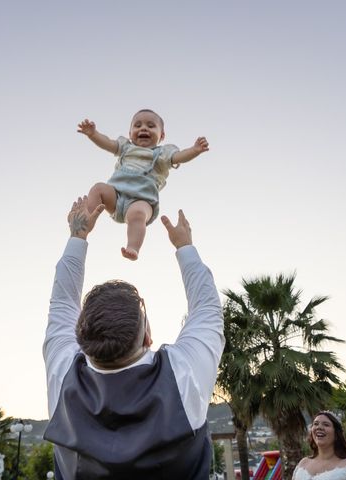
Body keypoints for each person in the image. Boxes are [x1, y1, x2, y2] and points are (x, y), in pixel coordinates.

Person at [43, 195, 225, 479]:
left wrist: (78, 235)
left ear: (81, 337)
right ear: (148, 336)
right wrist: (184, 246)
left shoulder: (64, 374)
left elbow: (62, 303)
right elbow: (207, 307)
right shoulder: (182, 375)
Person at [77, 109, 209, 260]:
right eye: (137, 125)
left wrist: (195, 150)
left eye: (151, 126)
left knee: (138, 215)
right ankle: (85, 219)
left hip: (141, 200)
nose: (143, 128)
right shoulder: (126, 148)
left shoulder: (162, 154)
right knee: (98, 188)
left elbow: (178, 157)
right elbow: (108, 144)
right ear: (130, 132)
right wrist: (93, 135)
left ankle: (133, 247)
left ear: (162, 135)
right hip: (116, 196)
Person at [293, 411, 346, 480]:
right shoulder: (303, 463)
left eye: (326, 424)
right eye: (316, 424)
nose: (319, 427)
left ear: (336, 434)